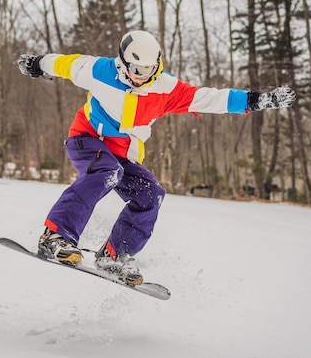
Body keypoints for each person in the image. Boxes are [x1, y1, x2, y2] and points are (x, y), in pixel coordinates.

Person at [17, 30, 296, 285]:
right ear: (123, 63)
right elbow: (66, 64)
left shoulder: (165, 88)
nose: (142, 75)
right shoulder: (99, 70)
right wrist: (38, 64)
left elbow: (209, 97)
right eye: (136, 69)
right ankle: (55, 236)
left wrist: (256, 100)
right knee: (106, 172)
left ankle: (114, 255)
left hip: (123, 153)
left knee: (150, 194)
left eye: (149, 69)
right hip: (87, 140)